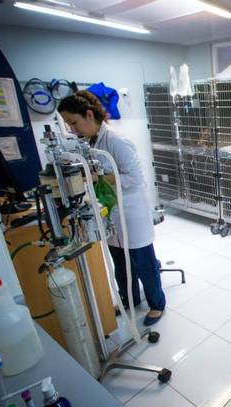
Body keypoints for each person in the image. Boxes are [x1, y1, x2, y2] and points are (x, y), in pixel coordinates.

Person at [58, 91, 166, 326]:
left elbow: (136, 179)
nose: (72, 129)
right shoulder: (93, 142)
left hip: (130, 211)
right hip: (111, 211)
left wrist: (100, 177)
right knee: (120, 261)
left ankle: (157, 304)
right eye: (68, 124)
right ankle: (129, 299)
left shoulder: (116, 141)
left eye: (74, 122)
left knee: (143, 262)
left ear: (89, 114)